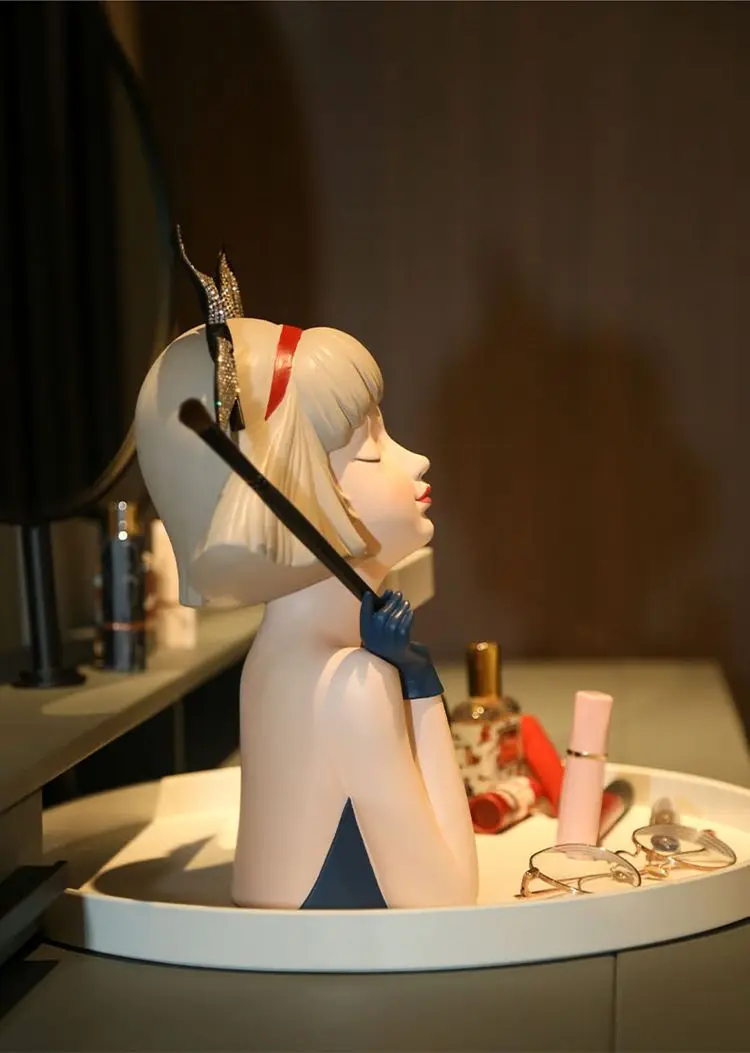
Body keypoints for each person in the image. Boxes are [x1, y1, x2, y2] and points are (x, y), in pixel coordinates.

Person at [134, 246, 478, 910]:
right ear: (302, 488)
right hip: (358, 973)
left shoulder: (272, 659)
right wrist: (418, 685)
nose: (415, 460)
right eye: (371, 447)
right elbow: (452, 896)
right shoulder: (353, 685)